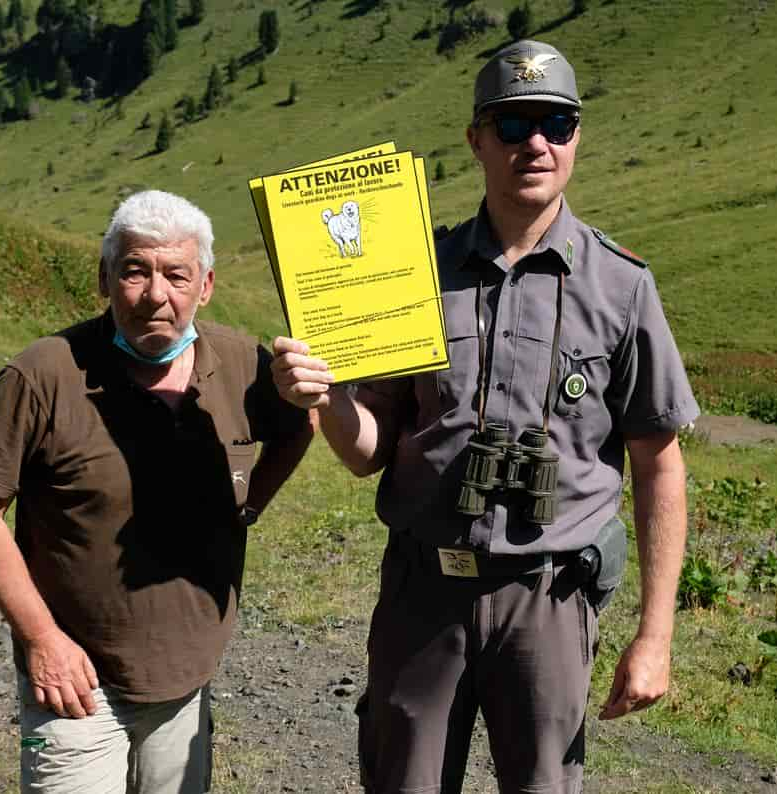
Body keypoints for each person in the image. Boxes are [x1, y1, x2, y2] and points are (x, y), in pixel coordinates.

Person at [270, 40, 699, 793]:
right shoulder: (413, 274)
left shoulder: (621, 286)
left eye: (557, 125)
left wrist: (655, 635)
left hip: (551, 602)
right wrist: (327, 397)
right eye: (513, 125)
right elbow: (369, 448)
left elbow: (658, 463)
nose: (536, 143)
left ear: (576, 139)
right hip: (423, 594)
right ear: (476, 139)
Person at [0, 190, 312, 793]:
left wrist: (246, 506)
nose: (156, 295)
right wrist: (42, 640)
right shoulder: (42, 374)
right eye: (135, 271)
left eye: (177, 274)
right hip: (76, 681)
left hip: (187, 673)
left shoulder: (244, 365)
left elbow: (299, 424)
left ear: (206, 285)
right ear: (104, 277)